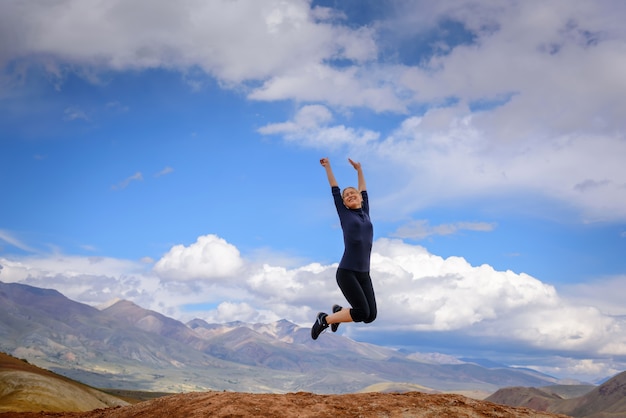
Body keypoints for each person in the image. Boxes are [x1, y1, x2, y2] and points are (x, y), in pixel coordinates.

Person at [311, 157, 377, 340]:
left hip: (364, 274)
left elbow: (363, 189)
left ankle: (339, 312)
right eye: (346, 196)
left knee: (370, 316)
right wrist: (328, 167)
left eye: (352, 193)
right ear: (345, 203)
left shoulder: (365, 212)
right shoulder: (345, 214)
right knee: (362, 312)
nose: (349, 195)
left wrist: (359, 170)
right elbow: (334, 189)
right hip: (347, 272)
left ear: (360, 198)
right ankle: (325, 319)